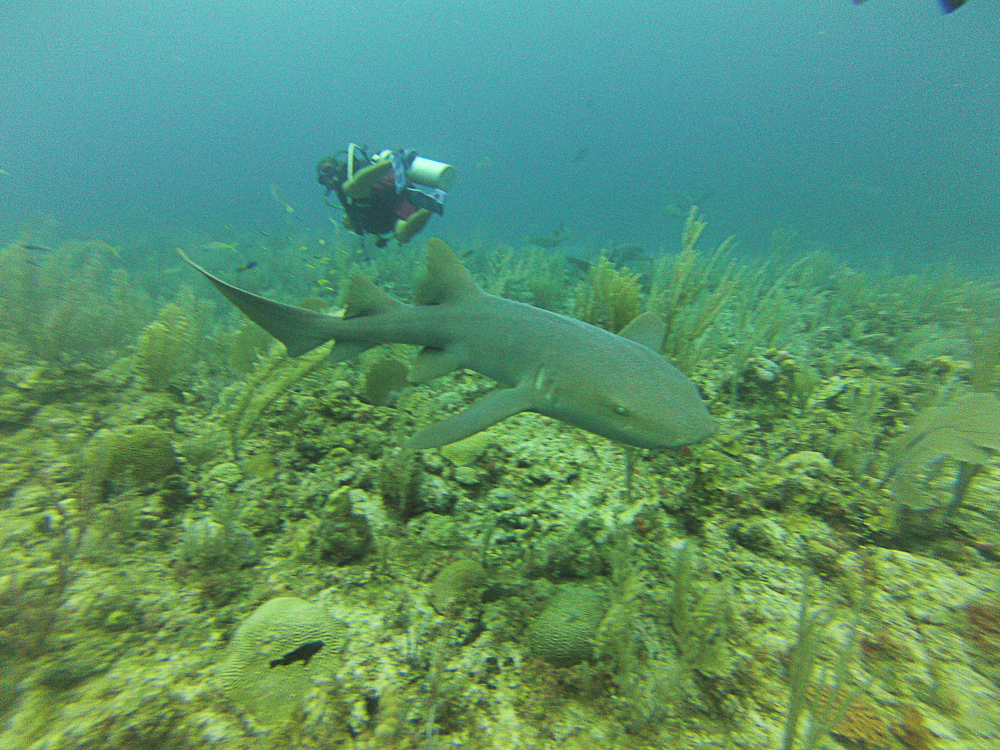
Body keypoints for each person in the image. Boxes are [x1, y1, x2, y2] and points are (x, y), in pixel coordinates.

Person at [317, 144, 455, 248]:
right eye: (323, 179)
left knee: (349, 188)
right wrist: (351, 221)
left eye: (329, 171)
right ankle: (433, 202)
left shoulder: (352, 169)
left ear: (337, 165)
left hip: (387, 190)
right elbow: (359, 215)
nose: (329, 179)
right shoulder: (343, 197)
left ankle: (395, 161)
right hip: (387, 209)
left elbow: (357, 190)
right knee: (402, 234)